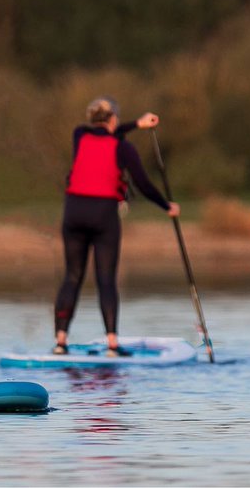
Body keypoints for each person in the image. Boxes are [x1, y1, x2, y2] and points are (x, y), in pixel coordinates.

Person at [53, 97, 179, 357]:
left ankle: (60, 342)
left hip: (73, 212)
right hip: (103, 214)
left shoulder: (80, 135)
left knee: (72, 276)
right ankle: (112, 344)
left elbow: (102, 132)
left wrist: (137, 123)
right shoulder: (124, 149)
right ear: (113, 119)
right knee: (106, 279)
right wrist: (167, 206)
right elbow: (143, 184)